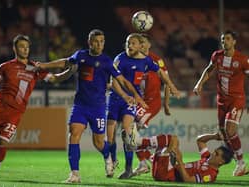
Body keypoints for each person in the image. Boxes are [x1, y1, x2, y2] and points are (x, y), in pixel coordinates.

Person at [37, 29, 146, 183]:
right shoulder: (81, 56)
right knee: (74, 133)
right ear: (90, 42)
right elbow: (65, 62)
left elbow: (122, 80)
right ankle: (75, 174)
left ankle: (108, 158)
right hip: (80, 105)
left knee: (99, 142)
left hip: (98, 107)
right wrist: (45, 66)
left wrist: (130, 95)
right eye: (96, 41)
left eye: (102, 41)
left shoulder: (107, 61)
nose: (99, 44)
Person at [0, 34, 72, 181]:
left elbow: (55, 78)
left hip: (15, 113)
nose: (25, 49)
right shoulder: (5, 67)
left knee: (3, 141)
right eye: (22, 46)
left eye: (27, 47)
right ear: (15, 48)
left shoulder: (35, 68)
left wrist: (70, 71)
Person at [106, 33, 181, 179]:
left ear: (144, 45)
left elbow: (164, 76)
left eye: (141, 42)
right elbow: (115, 78)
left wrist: (170, 90)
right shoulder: (121, 58)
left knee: (129, 133)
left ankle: (148, 157)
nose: (132, 45)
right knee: (123, 135)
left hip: (147, 102)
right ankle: (143, 159)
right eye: (129, 42)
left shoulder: (153, 60)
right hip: (127, 99)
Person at [193, 30, 249, 176]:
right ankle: (235, 161)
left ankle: (241, 162)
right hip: (221, 100)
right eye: (223, 39)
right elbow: (209, 70)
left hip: (236, 99)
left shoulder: (242, 59)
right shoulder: (217, 56)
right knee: (224, 133)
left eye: (228, 39)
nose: (225, 42)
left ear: (234, 41)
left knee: (230, 130)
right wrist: (199, 84)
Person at [132, 33, 171, 176]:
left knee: (130, 129)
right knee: (129, 131)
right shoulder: (133, 60)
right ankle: (150, 157)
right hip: (139, 103)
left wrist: (166, 104)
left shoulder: (156, 61)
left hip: (152, 103)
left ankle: (146, 160)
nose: (141, 45)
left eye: (144, 42)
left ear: (149, 45)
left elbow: (166, 82)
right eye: (139, 42)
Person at [131, 132, 234, 183]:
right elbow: (200, 141)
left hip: (167, 175)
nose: (212, 153)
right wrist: (214, 136)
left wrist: (180, 161)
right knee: (168, 142)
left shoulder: (210, 175)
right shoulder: (206, 158)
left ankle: (139, 144)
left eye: (216, 154)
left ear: (221, 161)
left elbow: (188, 180)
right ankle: (139, 148)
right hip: (168, 169)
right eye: (215, 151)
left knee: (173, 139)